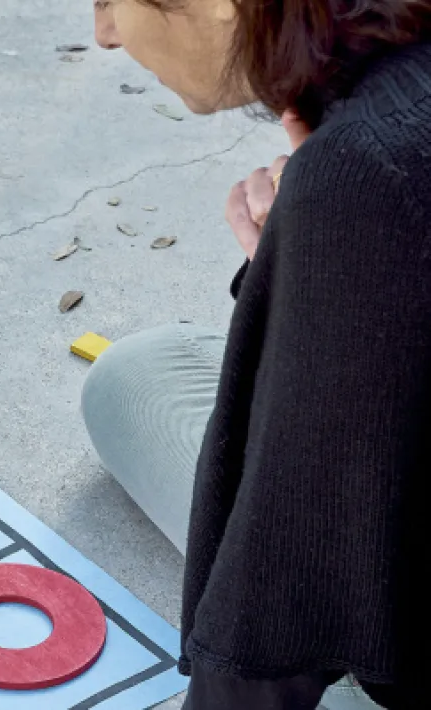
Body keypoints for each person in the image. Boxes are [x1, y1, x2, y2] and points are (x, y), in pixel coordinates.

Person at [83, 0, 431, 707]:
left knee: (136, 397)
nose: (105, 35)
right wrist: (315, 277)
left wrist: (332, 229)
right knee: (136, 374)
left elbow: (287, 555)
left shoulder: (368, 170)